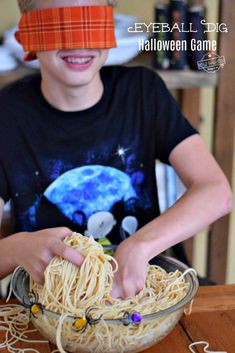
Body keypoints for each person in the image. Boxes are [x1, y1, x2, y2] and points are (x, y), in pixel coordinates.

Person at [0, 0, 232, 299]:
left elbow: (216, 191)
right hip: (47, 305)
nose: (78, 43)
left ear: (110, 27)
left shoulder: (142, 92)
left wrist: (139, 244)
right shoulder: (7, 116)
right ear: (27, 35)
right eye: (58, 26)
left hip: (145, 295)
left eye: (90, 23)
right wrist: (16, 248)